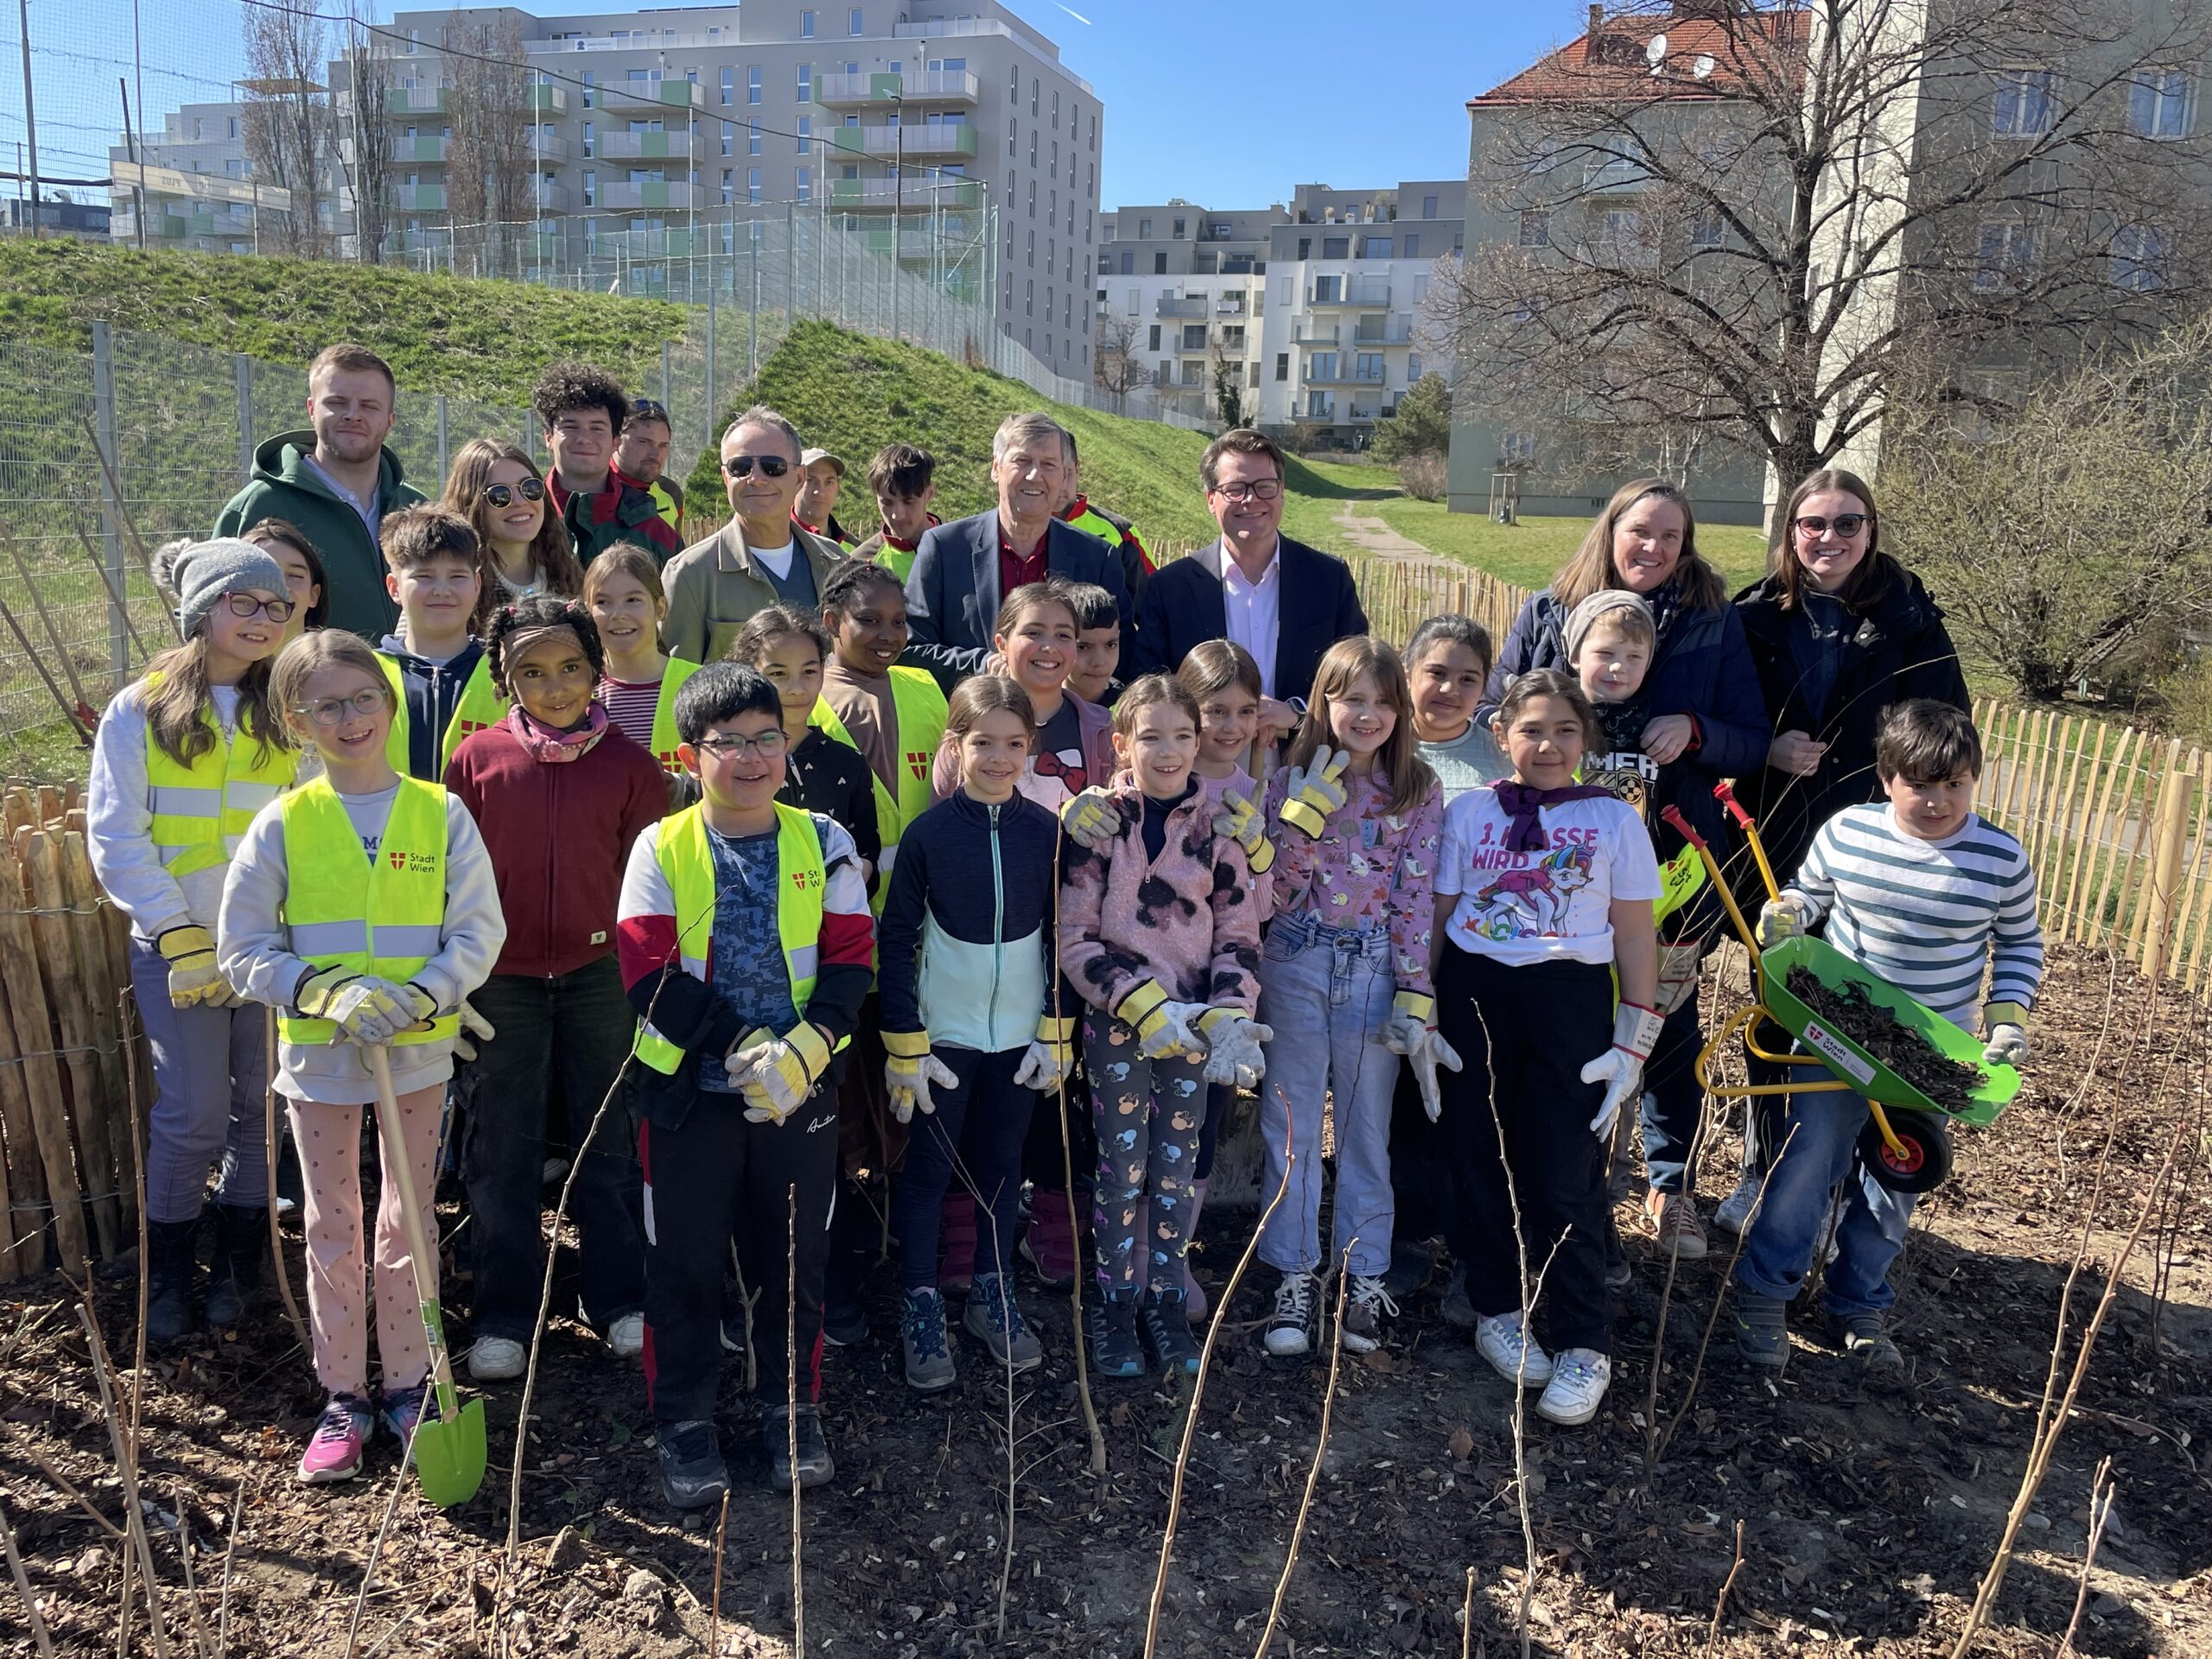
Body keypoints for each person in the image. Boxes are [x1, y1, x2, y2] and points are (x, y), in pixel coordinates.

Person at [217, 629, 505, 1484]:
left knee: (407, 1220)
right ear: (298, 718)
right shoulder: (283, 824)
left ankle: (411, 1386)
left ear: (388, 703)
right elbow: (243, 947)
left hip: (416, 1057)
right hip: (321, 1062)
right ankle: (344, 1395)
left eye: (365, 698)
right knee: (333, 1222)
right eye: (329, 705)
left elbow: (478, 930)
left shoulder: (438, 811)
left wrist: (424, 994)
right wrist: (325, 991)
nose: (352, 718)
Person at [1485, 479, 1769, 1260]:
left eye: (1670, 536)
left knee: (1666, 1022)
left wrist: (1698, 728)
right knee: (1569, 1018)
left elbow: (1753, 738)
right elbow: (1494, 714)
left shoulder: (1712, 624)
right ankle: (1572, 1185)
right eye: (1638, 531)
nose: (1652, 548)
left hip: (1672, 863)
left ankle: (1670, 1183)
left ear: (1686, 544)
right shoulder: (1549, 611)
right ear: (1610, 531)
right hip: (1556, 871)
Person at [616, 663, 874, 1509]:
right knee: (683, 1265)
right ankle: (685, 1420)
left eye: (769, 738)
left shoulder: (824, 840)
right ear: (692, 755)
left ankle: (791, 1410)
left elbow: (849, 961)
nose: (754, 757)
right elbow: (646, 972)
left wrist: (803, 1051)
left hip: (798, 1098)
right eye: (730, 743)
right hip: (690, 1099)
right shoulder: (661, 846)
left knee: (794, 1261)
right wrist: (744, 1045)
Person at [1740, 701, 2040, 1371]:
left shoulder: (1999, 857)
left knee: (1895, 1184)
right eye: (1921, 786)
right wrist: (1788, 912)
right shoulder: (1848, 832)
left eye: (1955, 785)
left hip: (1930, 1054)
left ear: (1975, 780)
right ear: (1886, 779)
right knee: (1809, 1160)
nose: (1939, 802)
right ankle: (1764, 1291)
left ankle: (1859, 1304)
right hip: (1840, 1029)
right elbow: (1809, 892)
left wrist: (2009, 1017)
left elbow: (2019, 942)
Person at [1724, 468, 1969, 1234]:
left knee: (1858, 1022)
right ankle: (1764, 1171)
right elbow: (1720, 718)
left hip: (1869, 850)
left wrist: (1896, 800)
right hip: (1775, 836)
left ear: (1871, 531)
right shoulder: (1755, 615)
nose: (1829, 539)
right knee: (1777, 1012)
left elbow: (1945, 725)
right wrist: (1767, 748)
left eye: (1848, 524)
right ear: (1790, 531)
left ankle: (1836, 1189)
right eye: (1813, 524)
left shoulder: (1911, 621)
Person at [1431, 669, 1662, 1427]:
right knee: (1483, 1154)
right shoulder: (1468, 813)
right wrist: (1422, 1006)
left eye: (1566, 730)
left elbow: (1633, 931)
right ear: (1500, 737)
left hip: (1570, 998)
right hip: (1475, 992)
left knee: (1566, 1169)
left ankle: (1583, 1337)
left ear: (1586, 739)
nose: (1548, 745)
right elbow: (1439, 915)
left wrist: (1635, 1035)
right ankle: (1498, 1306)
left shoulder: (1615, 821)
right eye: (1531, 730)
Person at [444, 597, 665, 1383]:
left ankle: (619, 1301)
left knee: (606, 1139)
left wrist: (645, 975)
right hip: (498, 982)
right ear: (506, 678)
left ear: (596, 669)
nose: (556, 686)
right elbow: (448, 880)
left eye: (572, 667)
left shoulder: (632, 769)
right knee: (500, 1148)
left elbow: (649, 885)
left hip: (600, 979)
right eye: (533, 672)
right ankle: (504, 1314)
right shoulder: (475, 762)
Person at [88, 538, 300, 1344]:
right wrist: (177, 933)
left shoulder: (283, 709)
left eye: (275, 606)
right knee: (193, 1113)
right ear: (200, 611)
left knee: (258, 1108)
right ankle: (168, 1275)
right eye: (241, 602)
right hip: (177, 951)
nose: (260, 619)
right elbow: (118, 836)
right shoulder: (139, 710)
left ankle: (239, 1272)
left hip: (265, 951)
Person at [1060, 674, 1266, 1379]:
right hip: (1121, 1026)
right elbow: (1076, 938)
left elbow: (1239, 930)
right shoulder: (1100, 827)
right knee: (1123, 1170)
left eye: (1183, 735)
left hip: (1196, 1028)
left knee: (1177, 1171)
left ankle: (1166, 1299)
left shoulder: (1220, 828)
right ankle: (1115, 1301)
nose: (1169, 749)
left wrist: (1231, 1014)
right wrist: (1137, 1004)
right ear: (1121, 743)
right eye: (1151, 736)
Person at [876, 675, 1066, 1390]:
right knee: (927, 1174)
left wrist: (1056, 1028)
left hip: (1019, 1039)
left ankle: (993, 1291)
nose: (997, 757)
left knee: (1001, 1167)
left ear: (1031, 749)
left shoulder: (1046, 834)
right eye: (982, 742)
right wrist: (904, 1039)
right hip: (944, 1040)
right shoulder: (928, 835)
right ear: (955, 746)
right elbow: (896, 940)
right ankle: (920, 1303)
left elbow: (1062, 934)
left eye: (1013, 744)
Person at [1255, 638, 1442, 1359]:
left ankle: (1364, 1273)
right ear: (1323, 702)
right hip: (1296, 961)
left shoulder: (1417, 792)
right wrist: (1302, 818)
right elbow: (1276, 890)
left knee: (1367, 1132)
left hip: (1372, 973)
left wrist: (1416, 994)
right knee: (1293, 1126)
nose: (1366, 714)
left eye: (1382, 702)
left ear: (1400, 712)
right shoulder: (1288, 778)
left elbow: (1415, 897)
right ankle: (1293, 1275)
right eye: (1350, 698)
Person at [1129, 429, 1367, 747]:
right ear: (1211, 500)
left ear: (1282, 492)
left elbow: (1357, 683)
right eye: (1235, 489)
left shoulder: (1328, 579)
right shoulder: (1170, 588)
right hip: (1199, 773)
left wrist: (1298, 714)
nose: (1251, 500)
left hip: (1305, 765)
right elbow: (1150, 690)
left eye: (1265, 487)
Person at [215, 343, 426, 638]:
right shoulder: (259, 506)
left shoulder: (419, 509)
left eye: (369, 405)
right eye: (337, 403)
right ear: (312, 409)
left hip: (408, 684)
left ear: (390, 421)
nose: (353, 415)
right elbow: (214, 619)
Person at [902, 411, 1128, 686]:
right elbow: (910, 650)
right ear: (996, 468)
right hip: (967, 722)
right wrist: (983, 664)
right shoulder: (944, 549)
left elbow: (1122, 656)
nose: (1035, 475)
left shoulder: (1097, 558)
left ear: (1065, 475)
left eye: (1049, 464)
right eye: (1022, 461)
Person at [662, 405, 847, 664]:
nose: (756, 478)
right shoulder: (690, 574)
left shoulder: (836, 562)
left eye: (773, 466)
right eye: (741, 467)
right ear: (726, 478)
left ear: (799, 477)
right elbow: (679, 689)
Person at [812, 559, 948, 893]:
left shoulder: (927, 689)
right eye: (869, 620)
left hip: (925, 892)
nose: (888, 636)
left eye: (899, 622)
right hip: (840, 895)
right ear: (832, 622)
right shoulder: (805, 699)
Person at [930, 579, 1114, 816]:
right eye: (1033, 633)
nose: (1049, 647)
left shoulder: (1103, 730)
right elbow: (940, 824)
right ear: (1002, 645)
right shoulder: (968, 727)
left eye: (1063, 635)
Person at [732, 607, 881, 888]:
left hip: (828, 926)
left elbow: (866, 855)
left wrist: (855, 873)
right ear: (748, 673)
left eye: (809, 671)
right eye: (778, 673)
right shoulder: (728, 760)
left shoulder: (847, 763)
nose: (797, 689)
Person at [373, 508, 509, 782]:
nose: (442, 590)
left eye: (457, 576)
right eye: (424, 576)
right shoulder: (367, 674)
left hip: (478, 824)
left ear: (477, 584)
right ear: (394, 587)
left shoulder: (505, 671)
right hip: (387, 824)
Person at [531, 363, 682, 569]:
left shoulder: (655, 534)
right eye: (570, 427)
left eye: (597, 428)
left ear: (615, 440)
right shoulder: (523, 516)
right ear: (548, 437)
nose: (584, 438)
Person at [586, 544, 699, 775]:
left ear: (659, 609)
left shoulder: (700, 683)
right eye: (603, 602)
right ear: (587, 612)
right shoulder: (576, 689)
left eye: (633, 600)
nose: (618, 614)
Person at [442, 439, 585, 607]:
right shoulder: (447, 584)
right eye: (500, 494)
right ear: (470, 504)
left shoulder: (568, 572)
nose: (519, 501)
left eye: (529, 488)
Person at [1056, 430, 1154, 607]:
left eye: (1067, 473)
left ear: (1078, 469)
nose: (1060, 484)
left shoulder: (1121, 532)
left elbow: (1153, 605)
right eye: (1051, 470)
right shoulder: (1016, 530)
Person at [853, 442, 941, 579]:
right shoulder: (860, 565)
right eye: (886, 502)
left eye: (908, 501)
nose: (897, 515)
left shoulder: (960, 550)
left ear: (929, 494)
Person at [238, 518, 330, 643]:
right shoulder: (209, 660)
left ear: (314, 594)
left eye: (294, 576)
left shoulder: (335, 661)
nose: (280, 585)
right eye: (264, 573)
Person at [613, 397, 684, 541]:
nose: (655, 454)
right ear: (616, 440)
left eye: (663, 445)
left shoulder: (670, 492)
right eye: (644, 442)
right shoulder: (594, 486)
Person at [1067, 581, 1125, 709]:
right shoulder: (1035, 708)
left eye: (1110, 645)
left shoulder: (1130, 710)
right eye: (1082, 647)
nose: (1099, 662)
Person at [794, 448, 859, 549]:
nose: (820, 492)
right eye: (810, 480)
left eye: (829, 482)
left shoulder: (854, 548)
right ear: (795, 482)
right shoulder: (772, 539)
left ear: (838, 487)